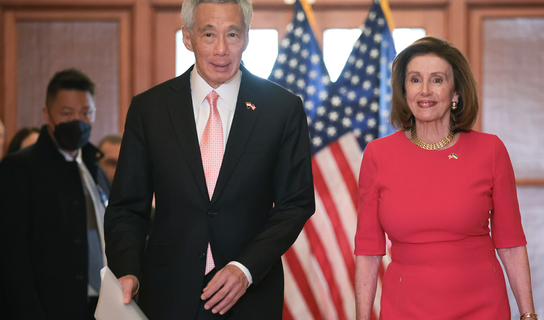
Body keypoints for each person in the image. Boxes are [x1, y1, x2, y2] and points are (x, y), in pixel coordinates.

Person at [103, 0, 315, 319]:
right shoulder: (150, 109)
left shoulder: (282, 110)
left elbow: (295, 203)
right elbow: (127, 206)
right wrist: (127, 269)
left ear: (246, 37)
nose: (221, 49)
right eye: (208, 34)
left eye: (232, 34)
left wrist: (245, 268)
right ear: (188, 37)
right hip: (167, 293)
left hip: (249, 294)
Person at [354, 36, 536, 320]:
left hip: (483, 307)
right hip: (405, 309)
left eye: (437, 80)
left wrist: (528, 315)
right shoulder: (378, 155)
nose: (425, 90)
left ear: (455, 94)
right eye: (415, 79)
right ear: (404, 91)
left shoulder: (490, 150)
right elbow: (368, 251)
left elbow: (511, 244)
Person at [0, 69, 110, 320]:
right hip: (50, 308)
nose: (78, 121)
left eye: (86, 112)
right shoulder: (20, 169)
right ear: (47, 115)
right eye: (67, 113)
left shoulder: (95, 168)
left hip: (101, 305)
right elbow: (12, 258)